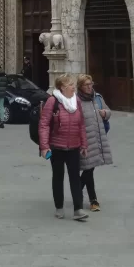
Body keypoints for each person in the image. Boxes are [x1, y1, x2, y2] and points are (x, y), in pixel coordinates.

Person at [38, 73, 88, 222]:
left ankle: (78, 209)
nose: (73, 87)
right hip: (57, 146)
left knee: (75, 178)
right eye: (70, 85)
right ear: (62, 87)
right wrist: (44, 146)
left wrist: (84, 144)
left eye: (73, 85)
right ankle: (59, 207)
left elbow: (82, 124)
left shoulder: (76, 101)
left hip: (74, 146)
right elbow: (44, 124)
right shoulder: (52, 102)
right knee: (58, 177)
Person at [77, 74, 112, 212]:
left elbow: (108, 111)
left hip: (98, 138)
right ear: (80, 86)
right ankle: (92, 199)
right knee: (88, 169)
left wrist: (105, 113)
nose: (90, 86)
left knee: (90, 169)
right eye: (87, 84)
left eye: (91, 84)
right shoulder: (77, 101)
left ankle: (81, 194)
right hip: (85, 140)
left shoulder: (97, 97)